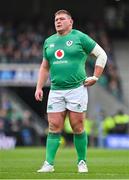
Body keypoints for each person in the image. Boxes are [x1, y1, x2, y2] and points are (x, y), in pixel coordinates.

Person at [35, 9, 107, 173]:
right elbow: (45, 66)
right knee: (53, 126)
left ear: (70, 22)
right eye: (56, 20)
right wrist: (39, 87)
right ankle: (49, 164)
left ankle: (82, 162)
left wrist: (95, 77)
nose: (58, 22)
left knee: (78, 126)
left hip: (77, 89)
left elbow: (102, 55)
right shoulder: (49, 41)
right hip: (55, 90)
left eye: (61, 19)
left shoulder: (79, 37)